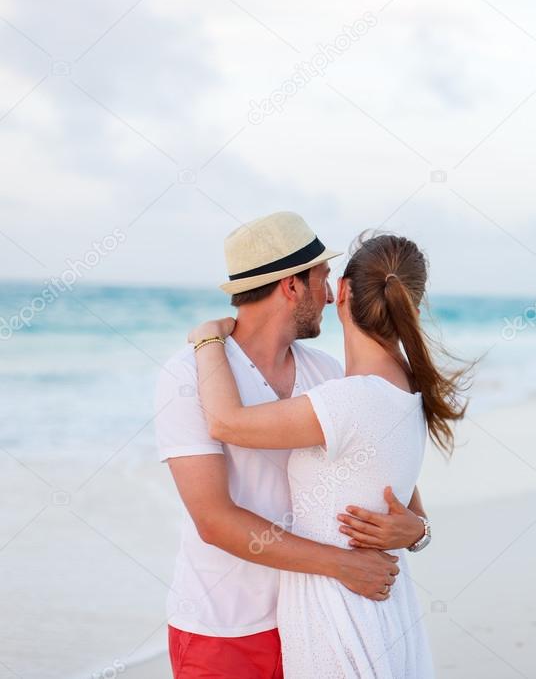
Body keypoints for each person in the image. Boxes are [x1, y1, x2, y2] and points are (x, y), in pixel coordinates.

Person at [155, 213, 430, 678]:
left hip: (314, 621)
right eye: (322, 278)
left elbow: (390, 482)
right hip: (227, 627)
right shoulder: (188, 375)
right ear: (291, 285)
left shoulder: (327, 375)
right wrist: (341, 565)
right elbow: (214, 520)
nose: (330, 295)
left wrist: (416, 530)